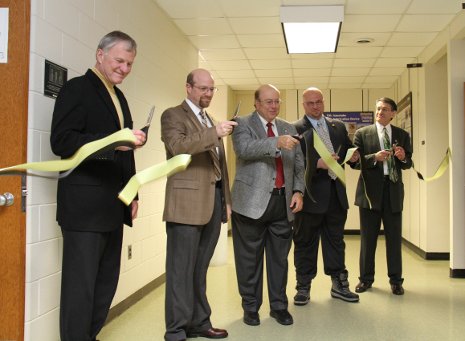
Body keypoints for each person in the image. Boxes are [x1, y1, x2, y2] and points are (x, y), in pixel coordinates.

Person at [50, 31, 146, 341]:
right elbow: (62, 141)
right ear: (100, 55)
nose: (124, 68)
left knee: (105, 285)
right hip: (84, 209)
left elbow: (124, 151)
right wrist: (111, 143)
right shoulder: (77, 89)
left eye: (129, 64)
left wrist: (132, 192)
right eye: (119, 60)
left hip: (113, 205)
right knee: (81, 289)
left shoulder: (119, 97)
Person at [160, 68, 237, 341]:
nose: (208, 93)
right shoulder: (173, 115)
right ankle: (176, 330)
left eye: (211, 89)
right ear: (189, 88)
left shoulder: (210, 119)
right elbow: (177, 146)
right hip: (185, 204)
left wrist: (226, 200)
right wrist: (213, 132)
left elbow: (220, 165)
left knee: (199, 268)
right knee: (181, 271)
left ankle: (199, 323)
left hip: (213, 202)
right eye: (203, 88)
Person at [231, 84, 305, 327]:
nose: (274, 106)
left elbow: (299, 164)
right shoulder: (242, 124)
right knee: (249, 260)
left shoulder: (288, 127)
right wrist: (276, 142)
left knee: (279, 259)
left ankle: (279, 306)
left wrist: (298, 191)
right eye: (268, 101)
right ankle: (251, 308)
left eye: (277, 101)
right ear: (257, 103)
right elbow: (244, 150)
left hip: (283, 203)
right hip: (250, 204)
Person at [292, 87, 360, 306]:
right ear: (303, 105)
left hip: (336, 196)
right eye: (310, 103)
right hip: (308, 196)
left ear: (323, 101)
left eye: (318, 101)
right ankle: (303, 287)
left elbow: (350, 155)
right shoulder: (295, 129)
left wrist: (354, 158)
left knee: (336, 243)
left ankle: (339, 285)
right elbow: (292, 163)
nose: (315, 106)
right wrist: (316, 164)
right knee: (305, 243)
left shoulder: (338, 126)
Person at [352, 97, 413, 295]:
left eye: (385, 109)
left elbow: (408, 163)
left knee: (394, 239)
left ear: (393, 113)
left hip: (393, 192)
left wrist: (403, 157)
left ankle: (396, 281)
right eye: (378, 109)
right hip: (370, 194)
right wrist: (373, 158)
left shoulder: (402, 135)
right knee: (368, 239)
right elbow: (353, 162)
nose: (380, 112)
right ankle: (365, 279)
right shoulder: (362, 133)